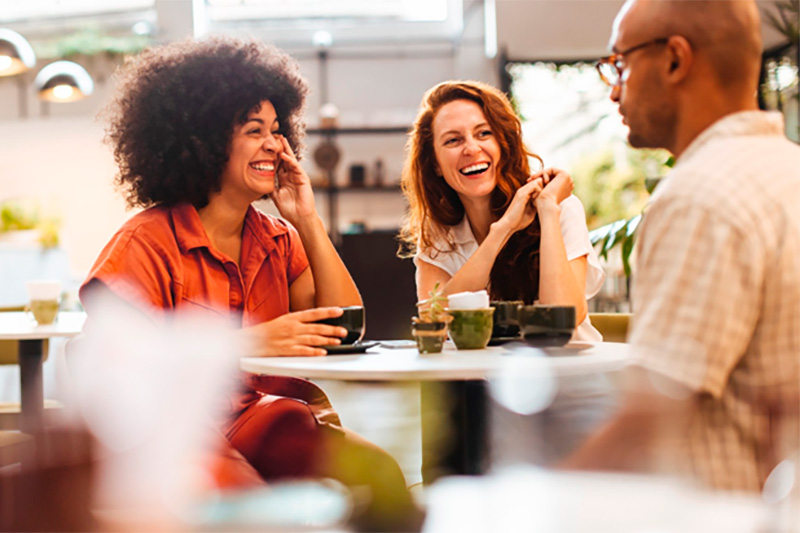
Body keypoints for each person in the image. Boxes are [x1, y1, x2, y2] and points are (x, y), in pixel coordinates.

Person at [79, 37, 421, 531]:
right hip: (184, 436)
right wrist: (246, 343)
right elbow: (112, 380)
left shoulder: (279, 238)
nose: (274, 145)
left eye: (277, 130)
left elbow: (344, 327)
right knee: (264, 512)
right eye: (253, 130)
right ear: (203, 139)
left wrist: (307, 218)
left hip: (272, 422)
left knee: (381, 478)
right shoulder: (144, 243)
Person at [566, 0, 800, 492]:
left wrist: (522, 507)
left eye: (619, 64)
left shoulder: (701, 197)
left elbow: (648, 427)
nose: (613, 92)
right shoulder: (787, 171)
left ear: (675, 59)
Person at [399, 80, 604, 341]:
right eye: (453, 140)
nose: (472, 149)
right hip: (483, 378)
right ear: (435, 164)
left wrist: (548, 211)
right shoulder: (439, 229)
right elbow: (434, 321)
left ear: (503, 143)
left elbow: (565, 316)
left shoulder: (558, 205)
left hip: (568, 375)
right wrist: (503, 229)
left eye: (484, 133)